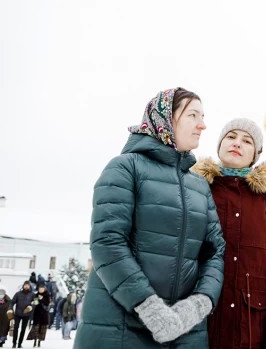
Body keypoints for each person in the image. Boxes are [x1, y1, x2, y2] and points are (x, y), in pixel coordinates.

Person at [73, 87, 226, 349]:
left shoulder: (199, 185)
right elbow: (107, 242)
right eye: (192, 115)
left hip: (186, 330)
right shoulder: (125, 168)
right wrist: (149, 308)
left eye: (202, 116)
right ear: (165, 118)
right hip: (120, 326)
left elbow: (215, 252)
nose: (202, 125)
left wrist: (198, 303)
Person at [192, 118, 266, 348]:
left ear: (255, 155)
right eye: (231, 137)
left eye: (247, 141)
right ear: (219, 146)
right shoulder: (196, 190)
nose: (237, 143)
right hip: (200, 326)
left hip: (251, 329)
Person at [10, 281, 35, 348]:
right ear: (23, 286)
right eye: (25, 285)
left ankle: (20, 343)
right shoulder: (18, 294)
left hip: (26, 315)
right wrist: (10, 309)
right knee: (16, 328)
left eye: (27, 285)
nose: (26, 286)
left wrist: (31, 307)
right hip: (17, 314)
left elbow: (36, 302)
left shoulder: (32, 294)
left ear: (29, 286)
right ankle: (14, 343)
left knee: (23, 329)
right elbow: (12, 302)